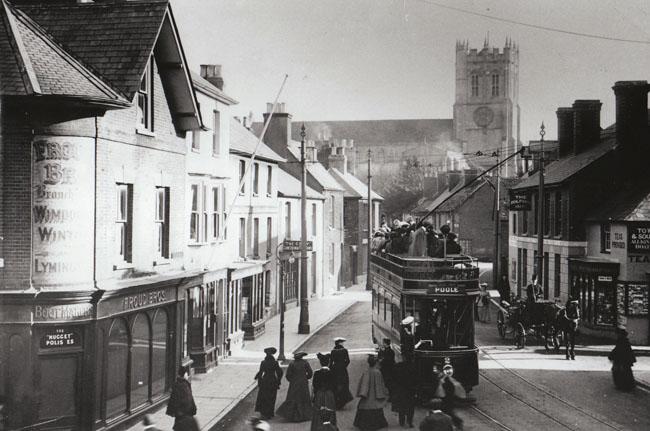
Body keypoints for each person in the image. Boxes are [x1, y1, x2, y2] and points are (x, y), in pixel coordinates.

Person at [353, 355, 389, 430]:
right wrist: (384, 393)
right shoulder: (377, 372)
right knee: (376, 406)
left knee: (363, 406)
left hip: (366, 396)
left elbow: (363, 384)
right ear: (375, 363)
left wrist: (363, 393)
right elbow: (380, 385)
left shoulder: (366, 371)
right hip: (375, 396)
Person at [277, 351, 313, 422]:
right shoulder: (305, 363)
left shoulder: (292, 364)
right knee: (304, 398)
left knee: (293, 398)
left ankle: (292, 416)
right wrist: (305, 378)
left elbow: (288, 375)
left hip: (294, 384)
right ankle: (304, 415)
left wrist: (292, 380)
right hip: (303, 384)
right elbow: (310, 373)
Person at [166, 366, 199, 431]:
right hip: (187, 416)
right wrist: (193, 409)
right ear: (184, 374)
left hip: (180, 417)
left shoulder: (177, 385)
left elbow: (173, 401)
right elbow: (190, 399)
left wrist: (172, 412)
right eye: (187, 373)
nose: (187, 375)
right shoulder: (186, 385)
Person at [254, 347, 284, 419]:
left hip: (265, 380)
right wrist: (278, 381)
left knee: (264, 397)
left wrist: (258, 380)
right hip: (272, 380)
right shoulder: (275, 362)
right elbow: (280, 372)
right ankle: (270, 412)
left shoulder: (263, 362)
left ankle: (264, 412)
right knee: (272, 397)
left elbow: (260, 372)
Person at [312, 352, 337, 431]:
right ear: (328, 362)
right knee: (331, 412)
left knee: (318, 412)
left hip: (319, 394)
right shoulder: (332, 372)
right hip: (329, 394)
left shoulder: (317, 373)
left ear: (320, 363)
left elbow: (314, 385)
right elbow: (334, 385)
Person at [434, 364, 463, 430]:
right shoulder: (446, 378)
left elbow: (441, 394)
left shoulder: (445, 380)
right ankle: (456, 423)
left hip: (447, 399)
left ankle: (456, 423)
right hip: (448, 399)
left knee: (447, 412)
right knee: (448, 412)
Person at [391, 353, 417, 427]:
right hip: (410, 390)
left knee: (401, 406)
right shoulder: (413, 367)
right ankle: (410, 421)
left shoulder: (397, 366)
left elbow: (393, 377)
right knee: (411, 407)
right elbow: (416, 379)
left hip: (400, 389)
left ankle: (402, 422)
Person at [330, 337, 354, 409]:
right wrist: (344, 366)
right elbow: (348, 360)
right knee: (344, 384)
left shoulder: (333, 351)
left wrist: (332, 369)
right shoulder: (344, 350)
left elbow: (331, 362)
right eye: (342, 342)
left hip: (335, 370)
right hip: (342, 370)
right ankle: (343, 399)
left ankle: (336, 400)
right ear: (340, 343)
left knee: (335, 384)